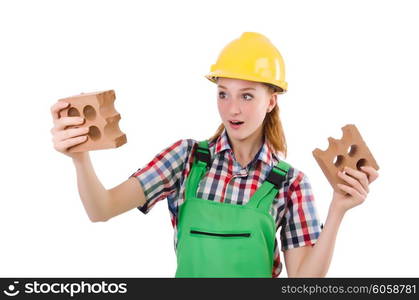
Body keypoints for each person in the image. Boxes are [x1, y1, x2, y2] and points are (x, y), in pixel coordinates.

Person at [50, 32, 379, 278]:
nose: (232, 109)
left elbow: (304, 283)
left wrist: (338, 210)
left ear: (271, 101)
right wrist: (80, 157)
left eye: (247, 96)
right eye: (223, 94)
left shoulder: (291, 184)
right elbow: (101, 209)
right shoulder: (185, 159)